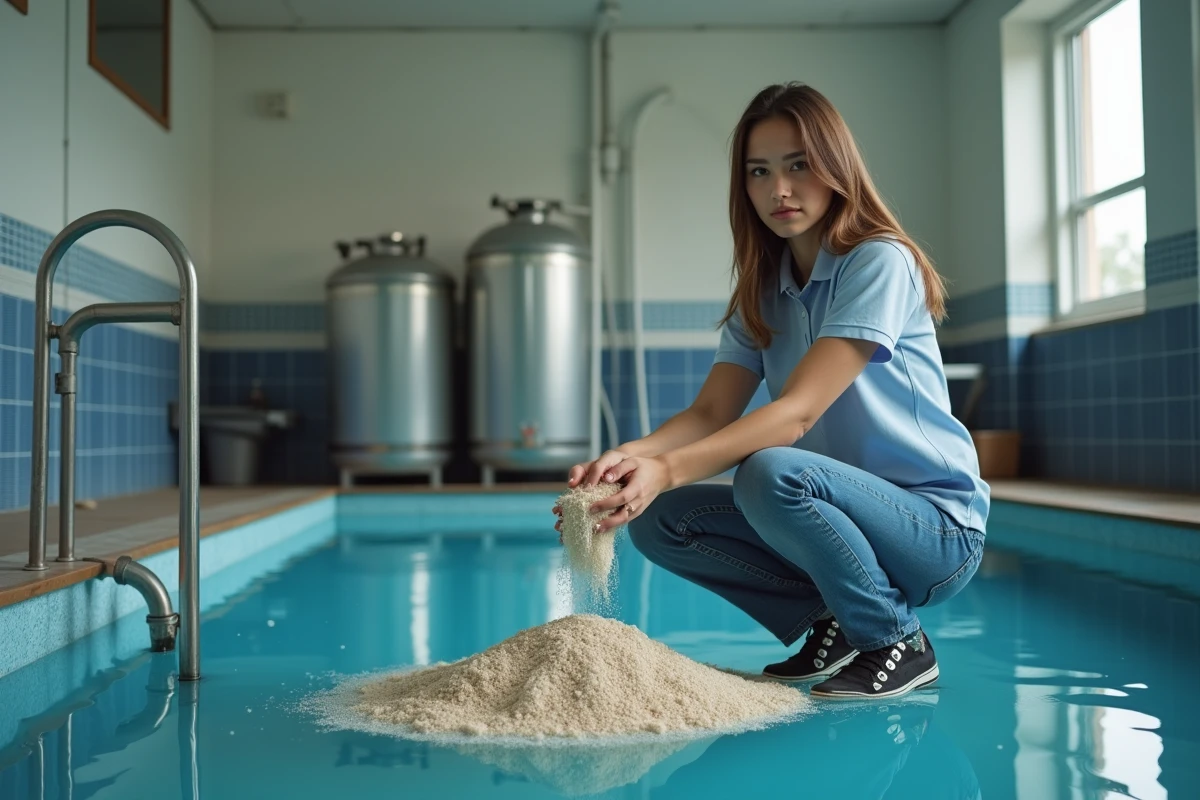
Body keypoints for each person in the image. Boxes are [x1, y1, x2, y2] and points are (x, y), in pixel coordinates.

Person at [553, 82, 989, 700]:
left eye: (798, 165)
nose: (778, 189)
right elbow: (709, 411)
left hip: (934, 531)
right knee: (662, 522)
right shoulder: (763, 289)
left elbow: (798, 414)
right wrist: (631, 461)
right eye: (759, 172)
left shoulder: (878, 261)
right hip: (841, 520)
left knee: (769, 471)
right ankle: (832, 623)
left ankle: (895, 639)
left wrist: (668, 468)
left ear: (836, 168)